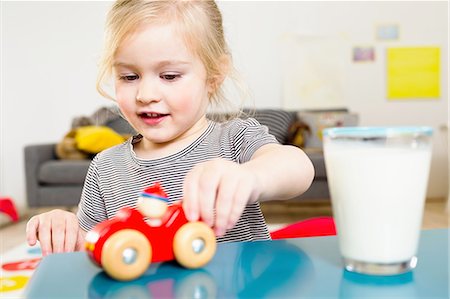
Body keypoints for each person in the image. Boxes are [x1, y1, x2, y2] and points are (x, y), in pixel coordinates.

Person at [26, 0, 314, 256]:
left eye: (169, 75)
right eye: (129, 76)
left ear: (213, 77)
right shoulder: (106, 167)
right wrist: (64, 229)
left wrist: (251, 177)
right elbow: (92, 245)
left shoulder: (234, 138)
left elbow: (298, 168)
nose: (145, 93)